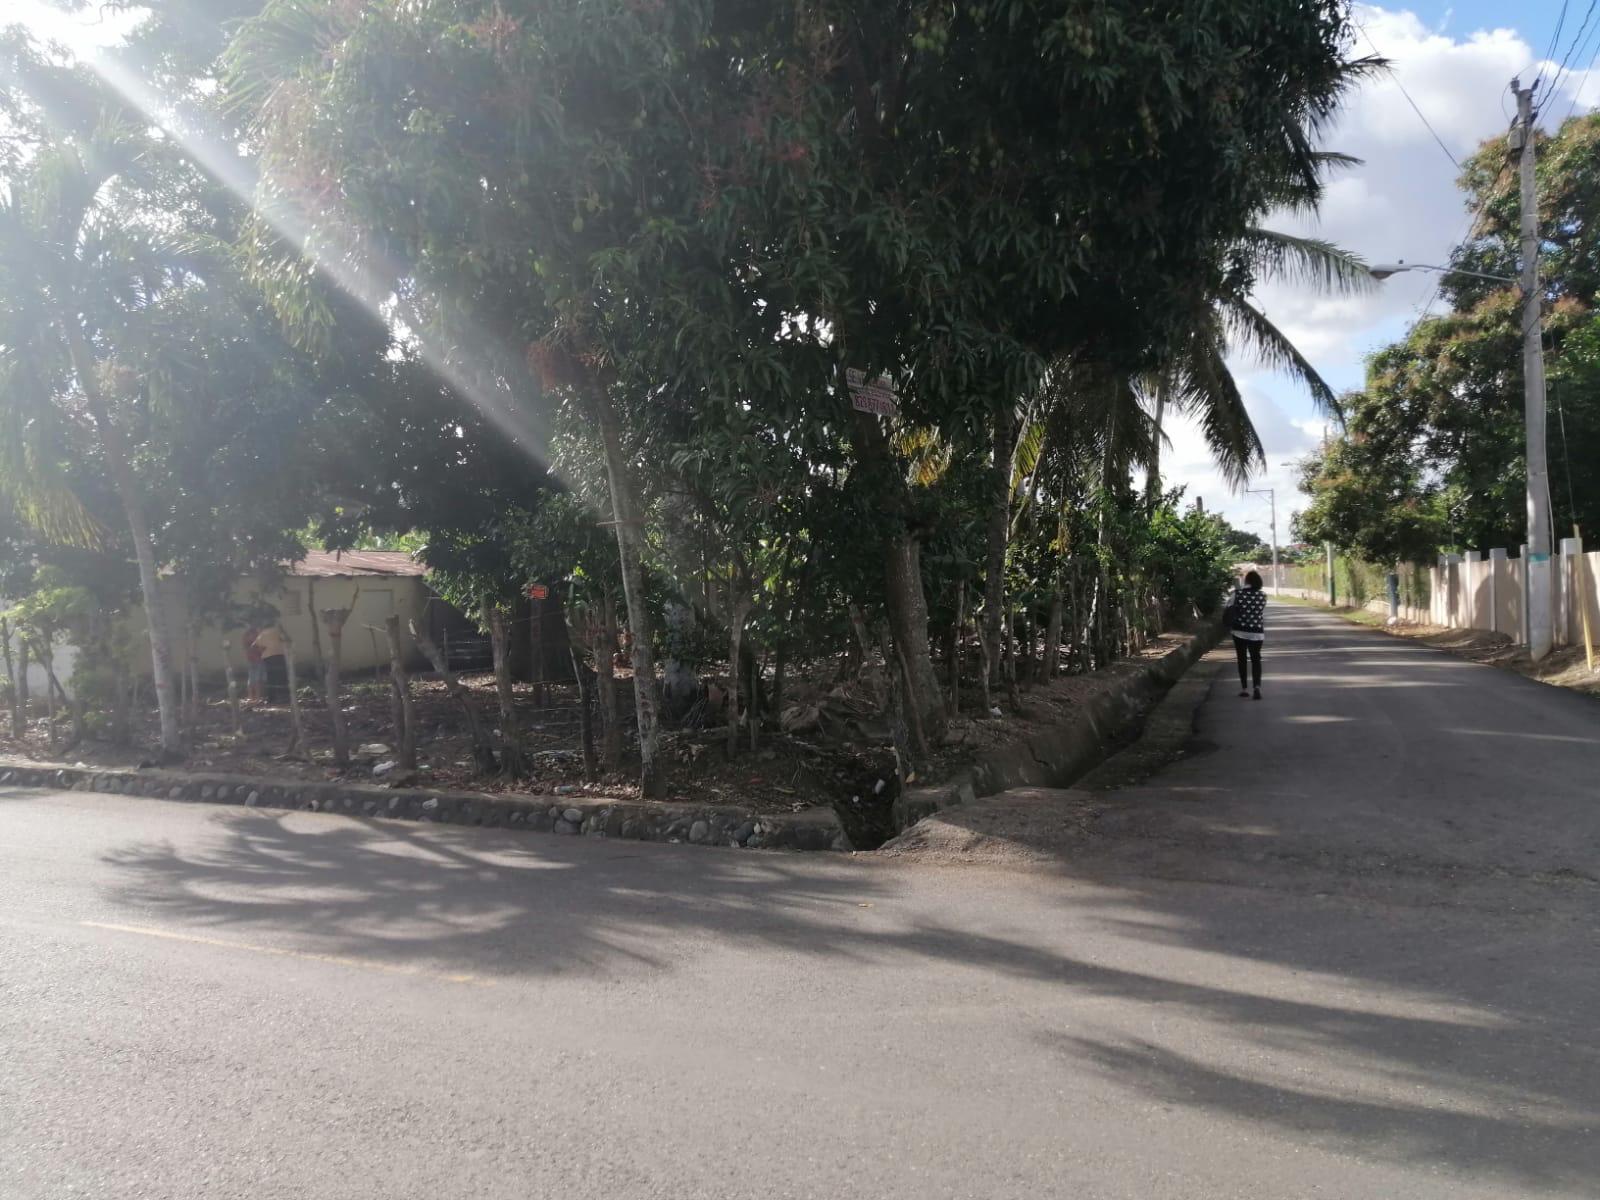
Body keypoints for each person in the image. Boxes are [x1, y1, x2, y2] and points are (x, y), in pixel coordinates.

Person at [1227, 570, 1268, 700]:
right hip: (1257, 633)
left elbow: (1228, 609)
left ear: (1246, 581)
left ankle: (1244, 689)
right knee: (1256, 660)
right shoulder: (1262, 595)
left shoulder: (1237, 594)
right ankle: (1257, 687)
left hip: (1239, 631)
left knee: (1242, 659)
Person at [250, 623, 290, 705]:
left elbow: (253, 646)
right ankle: (285, 697)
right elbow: (287, 639)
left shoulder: (262, 634)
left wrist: (261, 650)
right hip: (279, 655)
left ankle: (272, 698)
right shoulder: (277, 631)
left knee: (271, 677)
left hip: (268, 657)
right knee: (282, 676)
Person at [242, 625, 266, 704]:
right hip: (257, 659)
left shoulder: (245, 635)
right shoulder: (255, 635)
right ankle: (258, 698)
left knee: (251, 679)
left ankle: (251, 697)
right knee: (258, 679)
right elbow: (258, 648)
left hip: (250, 659)